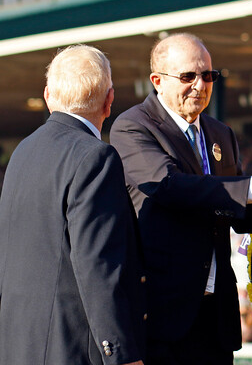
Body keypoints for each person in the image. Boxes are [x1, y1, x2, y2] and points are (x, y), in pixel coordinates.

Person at [110, 33, 252, 365]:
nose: (200, 85)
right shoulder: (132, 127)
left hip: (215, 320)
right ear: (157, 81)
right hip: (163, 318)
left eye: (208, 75)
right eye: (188, 76)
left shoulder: (220, 133)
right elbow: (171, 187)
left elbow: (236, 214)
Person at [0, 45, 145, 365]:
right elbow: (98, 265)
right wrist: (119, 353)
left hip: (18, 345)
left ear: (48, 95)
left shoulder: (21, 153)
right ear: (109, 101)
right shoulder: (96, 157)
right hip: (74, 349)